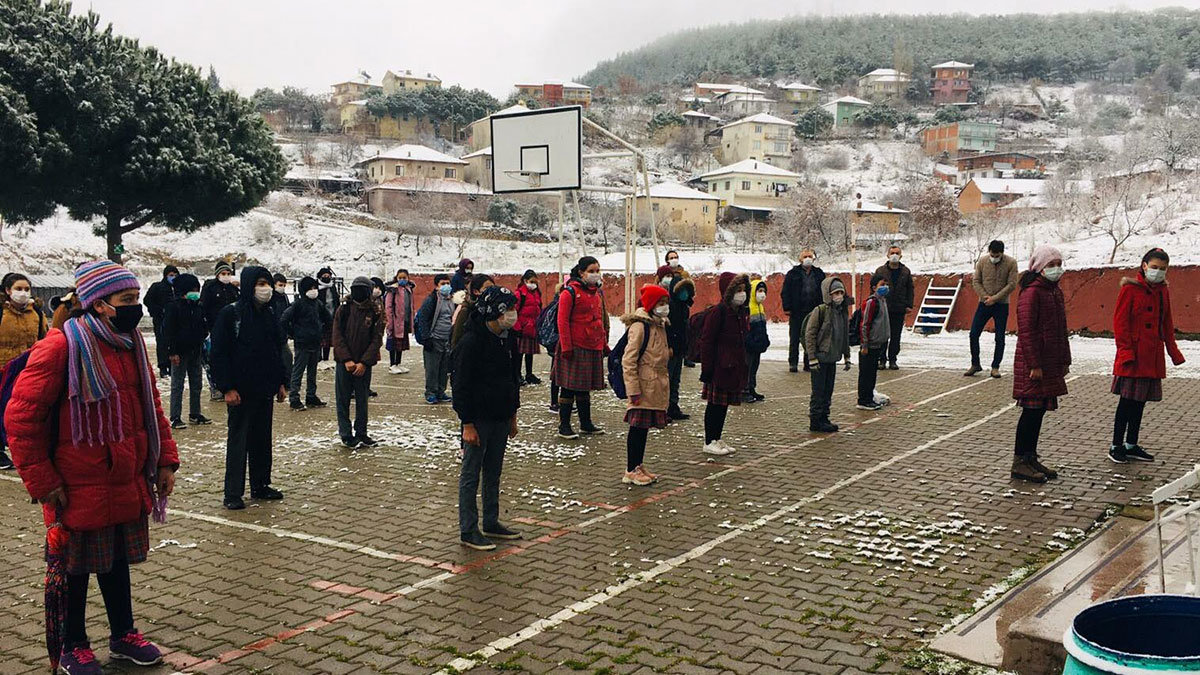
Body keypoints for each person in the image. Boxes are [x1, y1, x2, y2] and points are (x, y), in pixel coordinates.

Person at [7, 259, 178, 671]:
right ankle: (73, 644)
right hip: (75, 483)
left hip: (125, 476)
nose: (135, 306)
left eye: (137, 298)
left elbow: (150, 406)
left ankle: (123, 635)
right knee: (76, 568)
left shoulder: (132, 342)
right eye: (126, 299)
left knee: (116, 562)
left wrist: (166, 460)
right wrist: (42, 480)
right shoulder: (62, 345)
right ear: (99, 304)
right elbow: (21, 417)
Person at [210, 266, 289, 510]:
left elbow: (278, 350)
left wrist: (281, 382)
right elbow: (219, 353)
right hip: (240, 392)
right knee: (238, 442)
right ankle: (233, 492)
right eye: (260, 283)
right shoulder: (231, 314)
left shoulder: (270, 314)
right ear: (248, 285)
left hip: (264, 389)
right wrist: (226, 388)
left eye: (266, 283)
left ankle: (261, 485)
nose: (265, 288)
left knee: (261, 440)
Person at [452, 286, 522, 551]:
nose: (513, 315)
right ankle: (468, 529)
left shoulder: (507, 339)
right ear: (495, 312)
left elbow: (512, 380)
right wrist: (467, 422)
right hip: (478, 419)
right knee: (471, 474)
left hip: (501, 417)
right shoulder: (471, 342)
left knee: (494, 472)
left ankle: (491, 521)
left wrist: (512, 414)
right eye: (509, 309)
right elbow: (461, 385)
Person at [1109, 248, 1185, 464]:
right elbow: (1120, 324)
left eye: (1162, 269)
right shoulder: (1129, 290)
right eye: (1154, 267)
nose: (1158, 272)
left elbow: (1166, 323)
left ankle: (1131, 444)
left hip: (1151, 356)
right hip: (1132, 357)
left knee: (1140, 402)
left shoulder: (1163, 291)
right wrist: (1125, 352)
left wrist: (1173, 351)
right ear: (1144, 265)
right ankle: (1116, 446)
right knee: (1126, 403)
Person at [1010, 246, 1070, 483]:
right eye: (1050, 265)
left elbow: (1061, 330)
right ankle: (1019, 462)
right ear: (1039, 268)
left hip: (1050, 361)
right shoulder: (1032, 293)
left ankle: (1030, 457)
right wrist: (1034, 364)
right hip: (1034, 364)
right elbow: (1026, 331)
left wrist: (1065, 360)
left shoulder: (1054, 291)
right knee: (1030, 412)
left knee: (1039, 412)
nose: (1056, 269)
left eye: (1058, 264)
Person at [621, 285, 671, 486]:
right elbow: (629, 360)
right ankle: (631, 469)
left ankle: (638, 464)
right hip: (642, 386)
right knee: (637, 428)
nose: (665, 307)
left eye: (666, 303)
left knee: (643, 430)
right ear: (651, 304)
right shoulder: (640, 326)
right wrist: (632, 389)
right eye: (660, 303)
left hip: (655, 384)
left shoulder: (659, 324)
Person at [554, 257, 609, 440]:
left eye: (597, 270)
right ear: (581, 272)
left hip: (592, 345)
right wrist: (566, 347)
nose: (596, 274)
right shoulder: (569, 293)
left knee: (584, 387)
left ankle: (586, 423)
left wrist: (604, 342)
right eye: (592, 270)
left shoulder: (597, 293)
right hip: (574, 346)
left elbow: (599, 318)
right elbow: (562, 321)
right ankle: (564, 425)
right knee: (569, 387)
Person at [698, 272, 750, 455]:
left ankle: (717, 438)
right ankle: (709, 440)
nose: (742, 294)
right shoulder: (718, 312)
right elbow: (707, 341)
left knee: (723, 405)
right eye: (738, 290)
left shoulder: (740, 313)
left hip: (732, 367)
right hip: (718, 367)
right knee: (714, 404)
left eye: (744, 290)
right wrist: (707, 368)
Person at [0, 273, 48, 470]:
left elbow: (43, 339)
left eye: (26, 289)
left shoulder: (36, 312)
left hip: (26, 369)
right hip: (2, 368)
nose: (23, 293)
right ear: (7, 291)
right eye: (18, 289)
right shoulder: (1, 312)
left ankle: (22, 448)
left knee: (23, 412)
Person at [331, 277, 385, 448]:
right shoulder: (343, 309)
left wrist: (364, 362)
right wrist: (347, 359)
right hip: (344, 363)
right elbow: (337, 336)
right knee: (343, 400)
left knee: (362, 400)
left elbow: (377, 339)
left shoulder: (375, 311)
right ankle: (346, 434)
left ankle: (361, 432)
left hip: (363, 365)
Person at [161, 274, 211, 429]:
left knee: (197, 383)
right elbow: (168, 331)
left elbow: (203, 325)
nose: (196, 292)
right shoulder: (173, 307)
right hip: (179, 352)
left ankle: (195, 413)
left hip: (196, 351)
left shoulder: (198, 307)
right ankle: (175, 417)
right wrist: (172, 352)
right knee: (178, 385)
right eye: (193, 290)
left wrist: (202, 338)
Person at [805, 277, 852, 433]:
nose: (838, 296)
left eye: (841, 292)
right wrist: (811, 357)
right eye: (835, 293)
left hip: (832, 358)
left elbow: (844, 335)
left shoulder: (842, 312)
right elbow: (810, 335)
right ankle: (816, 420)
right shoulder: (821, 311)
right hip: (819, 358)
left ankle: (824, 417)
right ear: (828, 294)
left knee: (828, 390)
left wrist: (846, 355)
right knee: (818, 391)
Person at [966, 240, 1019, 378]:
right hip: (984, 303)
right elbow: (976, 281)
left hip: (1001, 305)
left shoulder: (1011, 263)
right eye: (992, 254)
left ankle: (995, 366)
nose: (994, 257)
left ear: (1002, 253)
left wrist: (994, 298)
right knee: (973, 334)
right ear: (989, 251)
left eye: (997, 255)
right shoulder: (983, 261)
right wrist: (985, 297)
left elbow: (1012, 284)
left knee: (999, 337)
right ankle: (975, 363)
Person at [281, 276, 331, 411]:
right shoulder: (298, 304)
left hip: (315, 342)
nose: (314, 291)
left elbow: (328, 317)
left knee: (312, 372)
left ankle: (311, 396)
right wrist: (293, 333)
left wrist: (323, 330)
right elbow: (284, 319)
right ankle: (294, 398)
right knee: (298, 371)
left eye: (315, 288)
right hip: (302, 343)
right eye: (311, 288)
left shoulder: (317, 303)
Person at [199, 261, 239, 401]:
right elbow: (203, 308)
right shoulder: (210, 288)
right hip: (214, 329)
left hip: (232, 331)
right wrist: (206, 328)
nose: (226, 276)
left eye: (228, 274)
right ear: (217, 274)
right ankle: (215, 387)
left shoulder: (233, 290)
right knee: (214, 359)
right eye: (223, 274)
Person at [658, 265, 694, 420]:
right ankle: (663, 409)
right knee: (667, 379)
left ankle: (673, 406)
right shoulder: (670, 306)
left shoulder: (684, 307)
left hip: (680, 348)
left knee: (675, 380)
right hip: (671, 348)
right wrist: (670, 346)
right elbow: (668, 329)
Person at [781, 249, 825, 373]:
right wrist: (787, 307)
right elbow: (785, 292)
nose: (807, 258)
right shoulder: (792, 274)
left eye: (810, 256)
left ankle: (808, 362)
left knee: (810, 337)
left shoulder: (819, 273)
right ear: (800, 259)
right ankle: (793, 363)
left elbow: (824, 290)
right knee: (794, 338)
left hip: (813, 311)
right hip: (796, 311)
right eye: (805, 256)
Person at [415, 274, 455, 404]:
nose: (446, 286)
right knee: (432, 368)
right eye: (443, 284)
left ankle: (440, 391)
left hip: (446, 339)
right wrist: (426, 338)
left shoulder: (451, 300)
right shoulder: (432, 300)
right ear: (437, 286)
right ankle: (430, 392)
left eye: (448, 283)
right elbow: (423, 319)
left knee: (444, 368)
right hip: (434, 339)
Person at [873, 246, 913, 370]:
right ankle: (882, 359)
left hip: (899, 308)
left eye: (897, 253)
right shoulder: (880, 271)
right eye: (892, 253)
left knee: (896, 336)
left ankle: (893, 359)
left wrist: (909, 305)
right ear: (887, 255)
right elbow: (874, 287)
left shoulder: (905, 271)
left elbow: (910, 289)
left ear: (901, 255)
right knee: (883, 335)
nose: (894, 255)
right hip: (884, 307)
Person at [857, 274, 891, 411]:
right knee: (866, 373)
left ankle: (869, 397)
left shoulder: (883, 301)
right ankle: (863, 400)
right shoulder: (872, 302)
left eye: (886, 284)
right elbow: (865, 324)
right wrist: (865, 344)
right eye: (882, 284)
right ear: (873, 287)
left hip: (878, 343)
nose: (885, 287)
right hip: (869, 345)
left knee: (872, 374)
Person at [143, 265, 179, 378]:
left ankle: (173, 365)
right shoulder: (157, 287)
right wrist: (157, 311)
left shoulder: (179, 287)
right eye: (171, 275)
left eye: (175, 275)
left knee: (174, 342)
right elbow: (147, 300)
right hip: (161, 320)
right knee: (162, 343)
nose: (173, 277)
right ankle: (163, 367)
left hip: (175, 320)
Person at [512, 269, 543, 385]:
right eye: (531, 281)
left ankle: (529, 374)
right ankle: (517, 374)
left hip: (533, 327)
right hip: (522, 328)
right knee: (519, 354)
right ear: (525, 281)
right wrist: (517, 326)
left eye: (535, 282)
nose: (533, 284)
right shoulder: (519, 294)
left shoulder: (536, 293)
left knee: (530, 353)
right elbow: (514, 310)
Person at [743, 278, 770, 403]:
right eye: (759, 290)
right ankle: (744, 391)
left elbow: (762, 327)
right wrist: (750, 341)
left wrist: (765, 340)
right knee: (746, 368)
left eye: (764, 291)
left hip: (757, 345)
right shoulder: (748, 307)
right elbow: (745, 328)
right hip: (749, 345)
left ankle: (752, 388)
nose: (762, 294)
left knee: (754, 367)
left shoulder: (760, 307)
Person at [384, 269, 415, 375]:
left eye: (404, 278)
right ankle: (392, 364)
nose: (402, 280)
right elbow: (388, 307)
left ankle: (398, 363)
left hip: (404, 321)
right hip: (395, 321)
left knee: (401, 343)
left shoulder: (408, 289)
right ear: (396, 278)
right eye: (400, 278)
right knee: (393, 343)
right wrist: (390, 321)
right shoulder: (392, 290)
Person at [452, 274, 494, 349]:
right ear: (476, 291)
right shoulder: (466, 310)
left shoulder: (493, 308)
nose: (491, 291)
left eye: (493, 288)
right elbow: (457, 337)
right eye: (487, 288)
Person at [315, 266, 340, 361]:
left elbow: (336, 301)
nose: (326, 277)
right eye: (324, 275)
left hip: (331, 315)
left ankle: (326, 357)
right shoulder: (317, 287)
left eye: (328, 275)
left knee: (328, 337)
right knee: (319, 337)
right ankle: (318, 357)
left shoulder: (332, 287)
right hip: (320, 316)